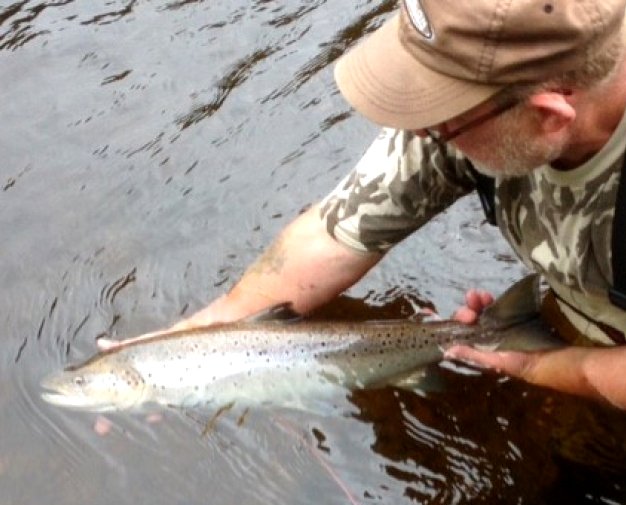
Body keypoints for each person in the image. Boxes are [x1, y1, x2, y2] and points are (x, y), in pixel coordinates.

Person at [105, 0, 626, 408]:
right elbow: (333, 235)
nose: (421, 131)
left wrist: (543, 369)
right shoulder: (491, 99)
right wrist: (193, 346)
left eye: (440, 115)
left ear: (549, 116)